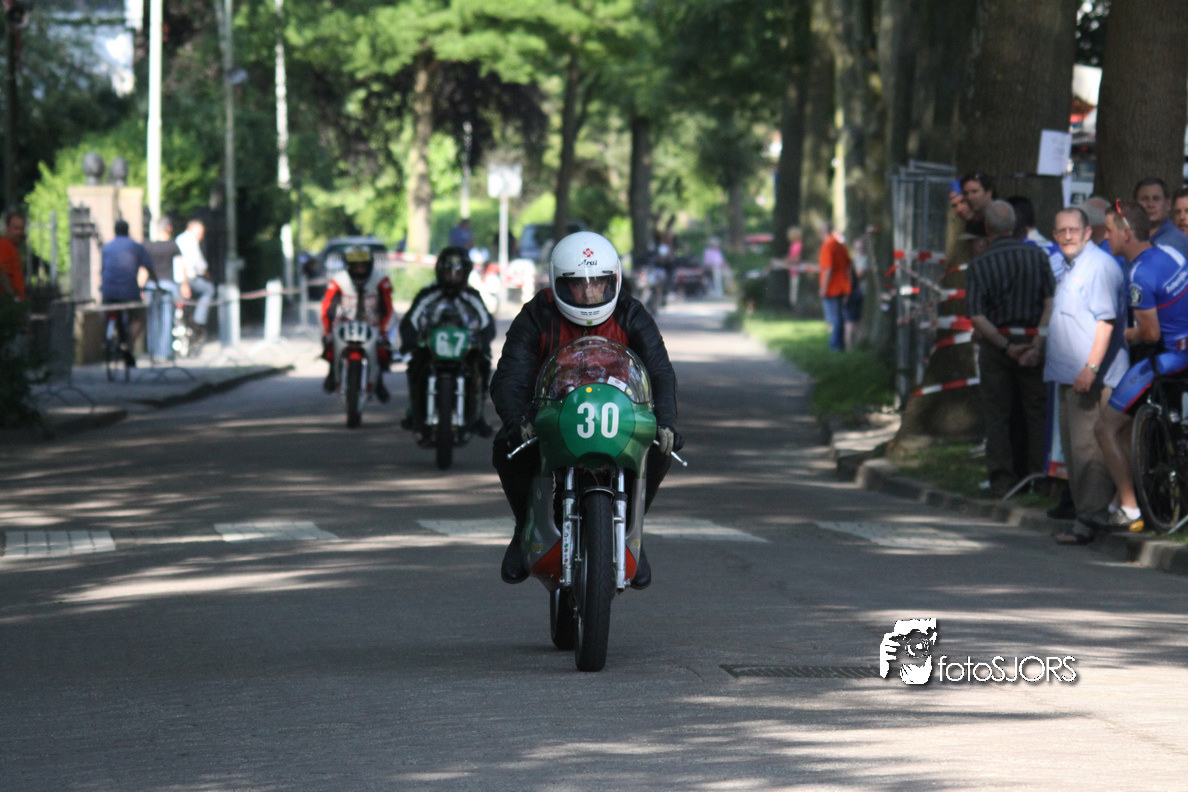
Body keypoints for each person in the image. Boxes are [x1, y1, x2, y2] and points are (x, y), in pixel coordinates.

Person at [491, 231, 680, 589]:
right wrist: (516, 419)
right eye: (578, 284)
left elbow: (659, 371)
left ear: (614, 281)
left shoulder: (631, 313)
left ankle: (632, 532)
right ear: (558, 283)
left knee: (660, 448)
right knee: (507, 447)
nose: (590, 292)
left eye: (599, 282)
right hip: (551, 412)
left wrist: (667, 420)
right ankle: (525, 526)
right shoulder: (536, 314)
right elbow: (510, 375)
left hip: (620, 412)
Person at [1092, 200, 1188, 536]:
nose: (1106, 237)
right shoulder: (1172, 254)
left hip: (1170, 360)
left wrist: (1120, 333)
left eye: (1109, 231)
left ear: (1127, 234)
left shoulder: (1138, 275)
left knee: (1105, 428)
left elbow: (1150, 333)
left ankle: (1129, 507)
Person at [1044, 208, 1131, 545]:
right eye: (1061, 231)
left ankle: (1090, 521)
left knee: (1088, 452)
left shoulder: (1098, 266)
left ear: (1088, 232)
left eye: (1073, 229)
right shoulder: (1073, 266)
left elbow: (1106, 322)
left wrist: (1091, 368)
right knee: (1076, 451)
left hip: (1091, 379)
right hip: (1072, 376)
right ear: (1054, 236)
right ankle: (1087, 517)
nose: (1067, 236)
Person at [965, 200, 1056, 497]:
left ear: (987, 227)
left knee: (998, 414)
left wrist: (1006, 348)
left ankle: (1003, 480)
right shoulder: (1038, 256)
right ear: (1015, 224)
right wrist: (1037, 343)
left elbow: (977, 317)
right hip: (1033, 340)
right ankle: (1039, 476)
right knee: (1036, 412)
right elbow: (1050, 302)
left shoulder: (979, 264)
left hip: (997, 346)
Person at [398, 245, 495, 440]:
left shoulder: (473, 296)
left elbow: (487, 324)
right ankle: (415, 413)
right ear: (439, 272)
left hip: (465, 350)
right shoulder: (427, 293)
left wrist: (483, 344)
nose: (452, 278)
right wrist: (409, 342)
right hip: (430, 349)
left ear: (465, 273)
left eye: (457, 273)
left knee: (483, 365)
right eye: (448, 273)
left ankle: (477, 416)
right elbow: (410, 321)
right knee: (415, 365)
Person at [320, 245, 395, 400]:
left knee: (382, 349)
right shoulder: (338, 280)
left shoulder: (381, 279)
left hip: (372, 323)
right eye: (356, 266)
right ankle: (332, 372)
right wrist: (327, 329)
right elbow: (328, 306)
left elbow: (388, 307)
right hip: (345, 322)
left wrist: (384, 329)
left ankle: (379, 381)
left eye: (363, 266)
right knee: (330, 344)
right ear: (349, 266)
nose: (360, 269)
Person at [100, 219, 159, 367]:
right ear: (128, 231)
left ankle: (106, 337)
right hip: (129, 291)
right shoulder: (135, 246)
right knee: (139, 317)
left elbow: (103, 269)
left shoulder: (107, 247)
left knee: (106, 310)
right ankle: (127, 343)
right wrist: (157, 284)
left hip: (109, 291)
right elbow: (149, 267)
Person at [173, 219, 215, 343]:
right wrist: (206, 274)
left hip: (177, 279)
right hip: (188, 278)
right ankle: (199, 320)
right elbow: (199, 264)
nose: (201, 237)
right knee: (209, 290)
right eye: (200, 234)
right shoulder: (191, 241)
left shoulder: (179, 239)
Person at [1133, 177, 1188, 261]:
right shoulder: (1129, 239)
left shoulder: (1176, 243)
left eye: (1156, 199)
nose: (1150, 204)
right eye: (1144, 199)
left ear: (1168, 204)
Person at [818, 221, 853, 352]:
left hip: (831, 288)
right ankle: (840, 345)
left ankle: (835, 347)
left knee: (834, 319)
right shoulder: (840, 245)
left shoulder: (827, 245)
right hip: (843, 286)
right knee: (840, 317)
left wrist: (823, 288)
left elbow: (828, 268)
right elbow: (848, 265)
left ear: (823, 232)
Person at [0, 210, 27, 301]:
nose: (20, 232)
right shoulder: (4, 245)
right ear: (7, 228)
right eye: (16, 228)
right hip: (8, 303)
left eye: (22, 229)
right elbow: (2, 273)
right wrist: (14, 298)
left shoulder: (13, 247)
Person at [960, 171, 995, 237]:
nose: (969, 197)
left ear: (988, 193)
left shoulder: (1000, 218)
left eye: (974, 191)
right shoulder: (971, 223)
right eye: (965, 193)